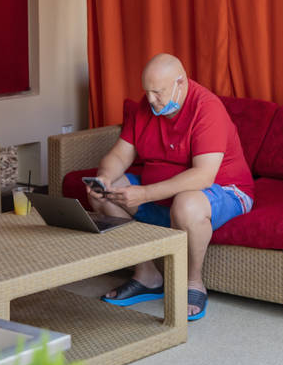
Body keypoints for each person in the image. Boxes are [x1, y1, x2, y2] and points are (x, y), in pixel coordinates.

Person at [86, 53, 253, 321]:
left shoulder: (207, 108)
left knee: (186, 203)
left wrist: (145, 193)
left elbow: (203, 176)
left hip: (226, 190)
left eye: (158, 92)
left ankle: (193, 282)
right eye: (147, 92)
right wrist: (104, 177)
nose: (151, 100)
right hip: (164, 193)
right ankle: (147, 275)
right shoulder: (146, 106)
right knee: (105, 193)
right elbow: (119, 155)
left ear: (181, 82)